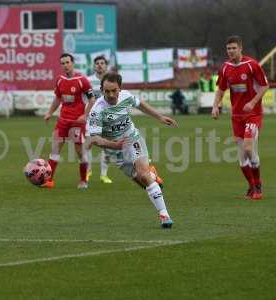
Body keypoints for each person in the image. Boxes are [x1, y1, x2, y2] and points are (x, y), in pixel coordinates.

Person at [87, 72, 178, 228]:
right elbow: (94, 139)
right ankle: (151, 174)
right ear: (101, 90)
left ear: (120, 89)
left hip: (132, 138)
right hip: (115, 149)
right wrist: (114, 145)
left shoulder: (126, 96)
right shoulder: (97, 111)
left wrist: (160, 117)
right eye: (106, 91)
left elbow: (140, 104)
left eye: (114, 90)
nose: (110, 94)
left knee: (143, 175)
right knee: (142, 180)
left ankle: (164, 215)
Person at [212, 35, 269, 200]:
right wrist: (216, 106)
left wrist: (252, 102)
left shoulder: (252, 65)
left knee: (249, 147)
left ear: (240, 48)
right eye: (228, 48)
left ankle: (258, 186)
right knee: (242, 156)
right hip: (236, 116)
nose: (231, 51)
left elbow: (265, 86)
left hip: (253, 114)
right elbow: (221, 89)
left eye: (234, 48)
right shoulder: (225, 68)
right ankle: (251, 187)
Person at [43, 53, 96, 189]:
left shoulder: (82, 80)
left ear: (72, 63)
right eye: (63, 63)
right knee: (55, 148)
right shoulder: (60, 80)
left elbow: (92, 99)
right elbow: (58, 98)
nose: (65, 65)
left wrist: (85, 115)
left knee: (79, 152)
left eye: (67, 62)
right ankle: (49, 180)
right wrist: (49, 112)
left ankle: (83, 180)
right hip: (63, 120)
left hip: (77, 122)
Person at [86, 55, 113, 184]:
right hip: (91, 117)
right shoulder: (88, 80)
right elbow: (84, 98)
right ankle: (88, 171)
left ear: (106, 65)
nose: (100, 65)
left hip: (107, 118)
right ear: (94, 66)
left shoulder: (111, 80)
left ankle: (104, 174)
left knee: (107, 146)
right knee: (88, 144)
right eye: (97, 63)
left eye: (102, 63)